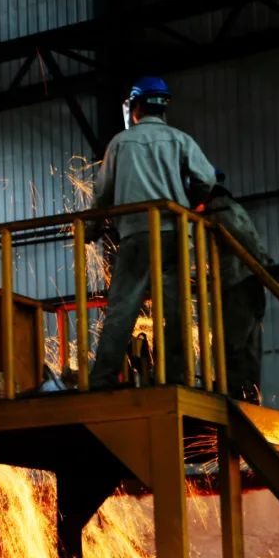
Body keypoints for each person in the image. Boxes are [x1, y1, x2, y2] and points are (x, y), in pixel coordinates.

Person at [89, 76, 216, 388]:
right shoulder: (179, 140)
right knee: (176, 309)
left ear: (137, 107)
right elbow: (207, 179)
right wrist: (192, 204)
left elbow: (102, 193)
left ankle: (103, 377)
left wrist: (91, 227)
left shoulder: (120, 143)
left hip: (137, 234)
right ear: (163, 108)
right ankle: (176, 378)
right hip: (176, 234)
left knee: (123, 307)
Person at [204, 176, 271, 403]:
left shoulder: (218, 208)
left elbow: (241, 240)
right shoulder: (231, 207)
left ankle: (236, 394)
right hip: (250, 280)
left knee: (231, 343)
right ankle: (249, 395)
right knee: (248, 346)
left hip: (238, 282)